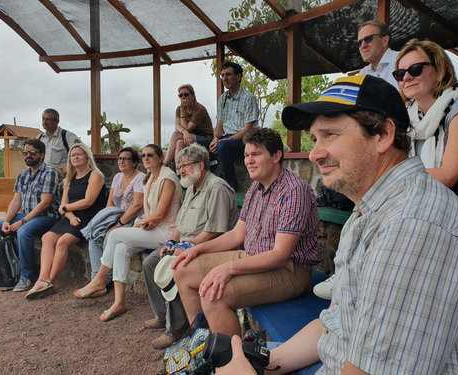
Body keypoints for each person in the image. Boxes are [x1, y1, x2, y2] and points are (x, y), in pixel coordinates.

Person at [218, 75, 458, 374]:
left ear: (383, 135)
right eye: (315, 139)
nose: (314, 153)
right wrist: (261, 365)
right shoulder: (370, 209)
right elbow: (335, 325)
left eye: (330, 135)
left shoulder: (413, 225)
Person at [173, 128, 319, 338]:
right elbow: (236, 236)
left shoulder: (294, 192)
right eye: (246, 155)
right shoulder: (255, 188)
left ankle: (231, 362)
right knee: (183, 269)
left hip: (289, 271)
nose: (249, 161)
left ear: (276, 156)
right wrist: (196, 248)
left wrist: (229, 268)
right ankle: (202, 343)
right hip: (253, 257)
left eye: (256, 154)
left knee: (213, 295)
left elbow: (280, 255)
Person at [313, 21, 399, 299]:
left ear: (385, 40)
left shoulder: (400, 65)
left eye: (331, 135)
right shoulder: (362, 75)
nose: (362, 45)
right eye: (315, 138)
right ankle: (348, 273)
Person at [143, 143, 239, 350]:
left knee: (177, 266)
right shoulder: (190, 187)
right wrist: (171, 242)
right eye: (179, 167)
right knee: (151, 262)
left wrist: (187, 246)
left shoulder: (217, 188)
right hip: (188, 243)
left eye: (186, 165)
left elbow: (216, 230)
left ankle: (177, 329)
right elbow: (181, 224)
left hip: (211, 247)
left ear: (201, 165)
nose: (181, 171)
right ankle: (163, 316)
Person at [74, 144, 183, 322]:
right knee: (121, 248)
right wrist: (146, 223)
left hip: (169, 233)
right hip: (154, 228)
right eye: (143, 155)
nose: (146, 158)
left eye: (150, 155)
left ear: (161, 158)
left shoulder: (168, 178)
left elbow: (161, 213)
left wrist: (140, 223)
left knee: (115, 234)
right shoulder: (150, 179)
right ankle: (119, 302)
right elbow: (152, 215)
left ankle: (99, 279)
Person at [25, 143, 106, 299]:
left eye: (78, 154)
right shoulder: (70, 179)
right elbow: (62, 207)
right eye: (72, 155)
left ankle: (49, 282)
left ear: (87, 157)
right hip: (72, 218)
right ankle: (41, 279)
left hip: (88, 218)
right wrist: (70, 215)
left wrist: (67, 209)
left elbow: (88, 201)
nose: (75, 157)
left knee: (63, 242)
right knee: (47, 237)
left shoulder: (95, 175)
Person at [394, 38, 458, 205]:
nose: (406, 77)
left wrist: (393, 177)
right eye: (399, 74)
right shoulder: (408, 115)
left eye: (415, 69)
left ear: (440, 71)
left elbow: (449, 175)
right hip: (425, 200)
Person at [0, 139, 60, 291]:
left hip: (47, 217)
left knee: (24, 231)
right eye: (25, 152)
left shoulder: (50, 173)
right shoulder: (23, 174)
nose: (28, 155)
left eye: (32, 153)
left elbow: (45, 203)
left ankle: (26, 276)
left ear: (41, 155)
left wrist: (23, 222)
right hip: (26, 215)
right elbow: (16, 200)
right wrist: (7, 221)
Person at [74, 147, 144, 289]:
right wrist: (105, 221)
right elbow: (110, 202)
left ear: (135, 162)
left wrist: (117, 224)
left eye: (126, 159)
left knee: (109, 235)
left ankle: (104, 279)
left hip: (133, 219)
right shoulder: (118, 177)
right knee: (94, 235)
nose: (121, 161)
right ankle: (97, 279)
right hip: (115, 216)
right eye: (119, 158)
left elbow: (137, 206)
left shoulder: (140, 178)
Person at [198, 61, 259, 190]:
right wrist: (215, 139)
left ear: (238, 76)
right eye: (222, 75)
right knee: (197, 145)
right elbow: (219, 125)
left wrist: (225, 140)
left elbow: (248, 130)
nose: (224, 78)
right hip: (226, 138)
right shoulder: (223, 98)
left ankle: (230, 184)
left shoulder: (248, 98)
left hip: (245, 140)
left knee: (222, 146)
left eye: (228, 74)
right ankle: (201, 181)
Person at [163, 84, 213, 167]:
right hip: (188, 135)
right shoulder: (179, 108)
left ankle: (165, 164)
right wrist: (184, 131)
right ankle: (178, 171)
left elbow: (188, 128)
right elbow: (177, 126)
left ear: (193, 96)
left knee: (177, 135)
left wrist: (183, 112)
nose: (183, 97)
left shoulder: (200, 109)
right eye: (180, 95)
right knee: (179, 141)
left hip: (205, 136)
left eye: (186, 94)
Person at [37, 108, 80, 176]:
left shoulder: (68, 136)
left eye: (48, 120)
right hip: (43, 180)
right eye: (43, 119)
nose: (44, 122)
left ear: (57, 121)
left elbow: (82, 156)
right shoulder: (39, 138)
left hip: (62, 181)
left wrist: (66, 169)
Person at [357, 20, 399, 88]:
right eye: (359, 43)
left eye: (368, 39)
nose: (363, 45)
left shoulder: (402, 60)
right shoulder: (363, 74)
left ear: (384, 41)